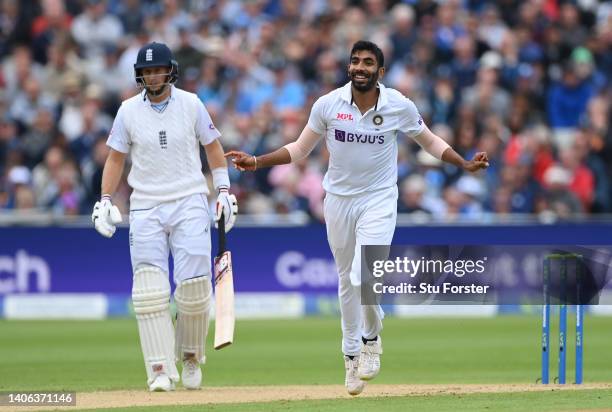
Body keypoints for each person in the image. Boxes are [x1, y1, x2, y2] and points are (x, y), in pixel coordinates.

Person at [226, 40, 488, 396]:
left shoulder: (399, 105)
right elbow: (300, 149)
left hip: (379, 200)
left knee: (363, 275)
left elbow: (429, 142)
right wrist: (256, 161)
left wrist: (464, 163)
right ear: (349, 67)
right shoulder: (328, 104)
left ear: (380, 72)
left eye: (368, 62)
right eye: (355, 61)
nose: (360, 67)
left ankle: (371, 338)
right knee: (347, 282)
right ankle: (350, 355)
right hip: (338, 201)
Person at [91, 42, 237, 392]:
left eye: (158, 69)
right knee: (148, 291)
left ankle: (189, 357)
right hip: (145, 203)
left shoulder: (191, 104)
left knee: (194, 288)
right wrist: (105, 199)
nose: (153, 76)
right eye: (147, 71)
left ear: (170, 70)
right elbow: (115, 158)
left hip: (189, 200)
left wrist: (224, 191)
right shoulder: (127, 111)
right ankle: (159, 369)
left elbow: (213, 148)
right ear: (139, 74)